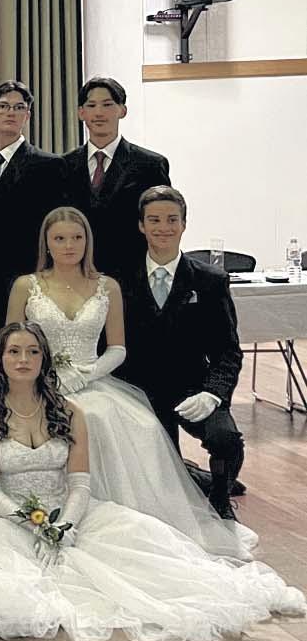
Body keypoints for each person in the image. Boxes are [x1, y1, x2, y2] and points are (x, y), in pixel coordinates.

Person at [0, 324, 303, 641]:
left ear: (44, 359)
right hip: (4, 517)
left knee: (148, 562)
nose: (23, 359)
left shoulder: (69, 412)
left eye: (33, 352)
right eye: (14, 352)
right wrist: (34, 523)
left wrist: (63, 525)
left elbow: (79, 483)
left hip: (69, 512)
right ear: (0, 359)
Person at [0, 207, 251, 557]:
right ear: (46, 243)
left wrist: (87, 373)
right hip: (35, 381)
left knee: (126, 423)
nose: (69, 245)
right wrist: (43, 377)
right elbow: (13, 343)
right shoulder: (26, 285)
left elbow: (118, 348)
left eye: (77, 238)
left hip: (93, 380)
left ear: (88, 242)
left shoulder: (107, 286)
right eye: (59, 238)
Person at [119, 186, 244, 519]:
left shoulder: (211, 280)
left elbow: (228, 351)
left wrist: (213, 394)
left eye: (172, 219)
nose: (164, 227)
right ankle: (192, 477)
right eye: (154, 220)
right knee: (161, 470)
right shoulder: (120, 278)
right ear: (141, 225)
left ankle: (220, 497)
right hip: (139, 389)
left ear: (184, 224)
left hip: (192, 387)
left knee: (227, 440)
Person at [0, 80, 88, 328]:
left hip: (29, 276)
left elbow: (56, 227)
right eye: (2, 106)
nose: (10, 112)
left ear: (27, 116)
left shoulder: (50, 166)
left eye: (19, 107)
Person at [62, 77, 171, 281]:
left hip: (132, 277)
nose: (99, 113)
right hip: (76, 275)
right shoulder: (63, 165)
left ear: (122, 110)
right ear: (81, 113)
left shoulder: (150, 164)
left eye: (107, 105)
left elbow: (162, 223)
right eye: (91, 105)